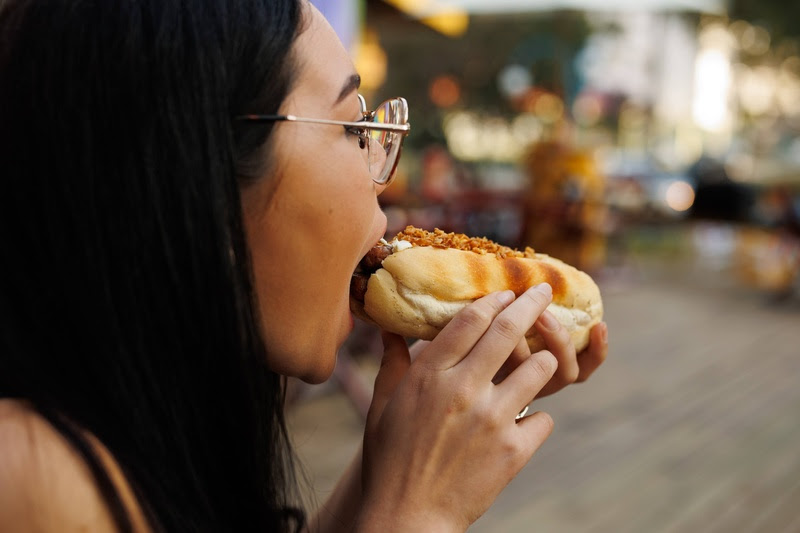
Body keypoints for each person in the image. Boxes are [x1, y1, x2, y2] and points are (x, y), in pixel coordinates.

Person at [0, 1, 609, 531]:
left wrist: (391, 471)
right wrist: (420, 516)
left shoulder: (147, 430)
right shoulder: (28, 474)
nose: (382, 180)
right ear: (196, 174)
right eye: (352, 127)